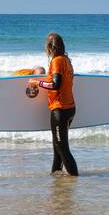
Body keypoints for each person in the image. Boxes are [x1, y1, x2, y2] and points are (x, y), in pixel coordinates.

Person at [38, 32, 77, 175]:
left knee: (63, 150)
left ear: (50, 47)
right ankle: (56, 178)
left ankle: (74, 180)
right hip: (70, 108)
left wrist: (38, 82)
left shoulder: (57, 61)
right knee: (58, 149)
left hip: (60, 110)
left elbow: (55, 84)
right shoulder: (67, 61)